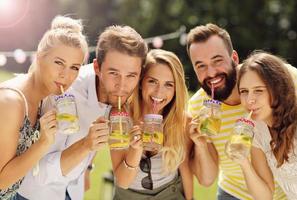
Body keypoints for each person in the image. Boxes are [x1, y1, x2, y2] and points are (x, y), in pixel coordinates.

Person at [16, 25, 148, 200]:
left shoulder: (123, 101)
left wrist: (88, 167)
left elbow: (123, 179)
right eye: (113, 73)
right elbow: (38, 171)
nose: (122, 85)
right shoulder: (64, 93)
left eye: (131, 75)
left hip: (73, 192)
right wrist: (86, 145)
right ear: (97, 68)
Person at [186, 23, 297, 200]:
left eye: (217, 61)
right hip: (234, 193)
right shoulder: (197, 107)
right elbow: (207, 180)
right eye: (201, 66)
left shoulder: (277, 77)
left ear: (234, 58)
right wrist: (201, 145)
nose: (211, 73)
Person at [0, 15, 88, 200]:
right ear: (40, 57)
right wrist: (43, 143)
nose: (65, 75)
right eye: (59, 63)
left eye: (74, 67)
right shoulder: (11, 102)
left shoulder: (44, 98)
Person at [110, 49, 194, 200]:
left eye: (168, 84)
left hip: (170, 194)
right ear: (141, 82)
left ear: (176, 89)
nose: (159, 92)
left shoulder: (182, 121)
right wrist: (136, 149)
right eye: (152, 81)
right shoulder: (121, 117)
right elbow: (123, 181)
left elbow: (185, 166)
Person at [232, 51, 297, 200]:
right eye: (244, 91)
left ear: (278, 89)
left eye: (258, 90)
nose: (249, 100)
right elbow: (265, 196)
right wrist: (243, 162)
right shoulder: (255, 130)